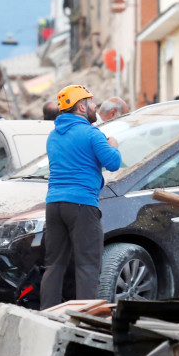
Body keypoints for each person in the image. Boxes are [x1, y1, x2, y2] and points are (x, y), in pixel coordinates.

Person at [41, 85, 121, 309]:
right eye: (92, 103)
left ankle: (47, 315)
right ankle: (86, 316)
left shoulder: (53, 136)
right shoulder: (91, 133)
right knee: (87, 265)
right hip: (81, 205)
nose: (95, 107)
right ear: (81, 107)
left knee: (54, 265)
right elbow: (113, 163)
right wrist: (113, 145)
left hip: (54, 204)